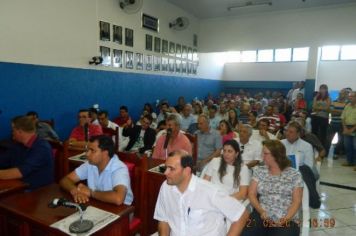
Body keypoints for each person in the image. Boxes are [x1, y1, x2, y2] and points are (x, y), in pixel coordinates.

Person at [154, 150, 249, 236]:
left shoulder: (210, 191)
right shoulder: (166, 187)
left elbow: (241, 215)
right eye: (166, 168)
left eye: (171, 169)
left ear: (187, 171)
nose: (166, 172)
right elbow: (163, 219)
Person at [242, 140, 303, 236]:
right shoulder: (259, 171)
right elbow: (251, 194)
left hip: (287, 217)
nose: (262, 156)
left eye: (265, 153)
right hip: (262, 214)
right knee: (247, 233)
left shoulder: (294, 174)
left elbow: (297, 201)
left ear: (276, 156)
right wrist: (261, 211)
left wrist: (285, 220)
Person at [59, 135, 133, 205]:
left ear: (105, 153)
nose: (87, 154)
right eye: (88, 150)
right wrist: (75, 191)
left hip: (121, 211)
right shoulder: (90, 164)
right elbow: (65, 180)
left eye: (92, 151)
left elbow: (118, 198)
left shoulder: (119, 168)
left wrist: (91, 193)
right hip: (98, 204)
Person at [0, 116, 54, 190]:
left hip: (38, 190)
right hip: (20, 184)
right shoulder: (18, 144)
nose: (12, 133)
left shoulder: (41, 148)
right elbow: (4, 160)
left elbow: (20, 172)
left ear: (20, 131)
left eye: (13, 130)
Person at [311, 84, 331, 150]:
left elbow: (328, 108)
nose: (322, 90)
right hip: (315, 116)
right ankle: (314, 146)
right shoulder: (316, 97)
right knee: (314, 133)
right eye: (321, 89)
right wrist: (322, 108)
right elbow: (314, 107)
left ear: (326, 90)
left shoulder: (328, 98)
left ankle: (322, 148)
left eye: (324, 89)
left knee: (323, 134)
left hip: (324, 117)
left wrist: (318, 108)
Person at [340, 91, 356, 169]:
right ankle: (350, 162)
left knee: (355, 146)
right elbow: (343, 117)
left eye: (352, 96)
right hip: (347, 127)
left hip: (354, 128)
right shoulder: (347, 106)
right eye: (349, 96)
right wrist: (345, 128)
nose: (350, 98)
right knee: (347, 146)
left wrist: (352, 129)